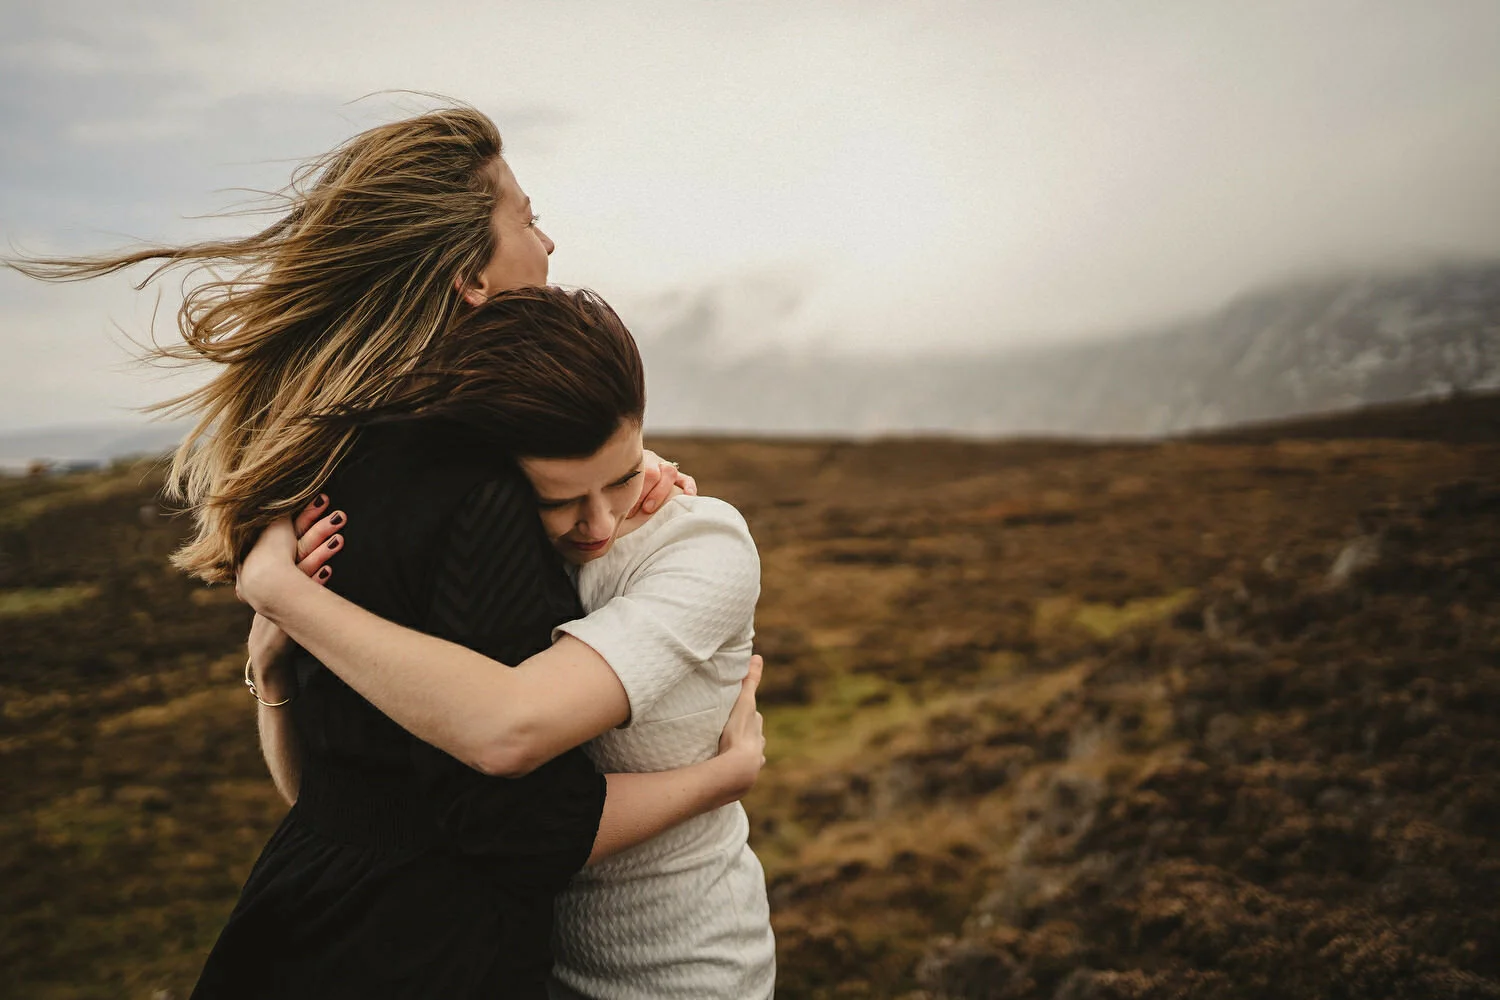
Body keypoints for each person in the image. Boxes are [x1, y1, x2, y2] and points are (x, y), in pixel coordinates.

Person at [6, 105, 748, 998]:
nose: (548, 244)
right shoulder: (482, 493)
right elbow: (513, 814)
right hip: (421, 958)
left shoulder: (330, 458)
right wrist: (724, 777)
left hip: (287, 919)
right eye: (525, 217)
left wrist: (627, 472)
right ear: (469, 277)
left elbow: (333, 786)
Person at [238, 287, 777, 999]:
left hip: (681, 971)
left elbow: (510, 728)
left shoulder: (704, 546)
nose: (598, 525)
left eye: (621, 480)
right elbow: (343, 805)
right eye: (558, 500)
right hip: (528, 968)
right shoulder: (496, 566)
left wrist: (279, 588)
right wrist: (273, 672)